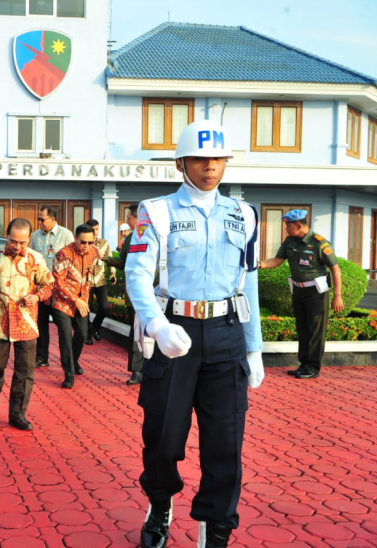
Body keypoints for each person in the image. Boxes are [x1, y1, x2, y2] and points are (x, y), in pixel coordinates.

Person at [125, 120, 264, 548]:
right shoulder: (156, 211)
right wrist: (156, 324)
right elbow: (137, 274)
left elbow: (250, 280)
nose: (210, 167)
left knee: (226, 446)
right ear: (181, 162)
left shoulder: (244, 214)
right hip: (174, 335)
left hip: (227, 335)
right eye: (200, 159)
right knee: (163, 438)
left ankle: (215, 531)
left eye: (218, 159)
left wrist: (255, 346)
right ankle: (160, 505)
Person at [0, 218, 54, 430]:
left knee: (25, 371)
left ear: (29, 239)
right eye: (13, 241)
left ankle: (17, 413)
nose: (17, 246)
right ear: (7, 236)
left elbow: (48, 285)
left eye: (22, 242)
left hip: (26, 322)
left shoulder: (36, 259)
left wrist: (37, 297)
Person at [258, 210, 343, 379]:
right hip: (298, 290)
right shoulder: (290, 241)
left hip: (316, 292)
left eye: (288, 226)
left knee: (315, 330)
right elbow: (277, 260)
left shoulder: (320, 243)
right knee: (302, 328)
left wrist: (337, 295)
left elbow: (335, 268)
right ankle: (303, 365)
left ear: (298, 226)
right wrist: (260, 264)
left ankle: (312, 367)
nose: (286, 229)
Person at [50, 224, 99, 389]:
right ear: (75, 239)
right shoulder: (63, 254)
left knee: (82, 334)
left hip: (81, 301)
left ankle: (74, 361)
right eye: (83, 242)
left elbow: (88, 278)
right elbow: (58, 282)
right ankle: (69, 374)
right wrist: (74, 299)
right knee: (65, 338)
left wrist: (83, 300)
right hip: (62, 302)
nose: (86, 246)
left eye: (90, 242)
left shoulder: (93, 253)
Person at [29, 205, 74, 369]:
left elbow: (73, 259)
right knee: (41, 324)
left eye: (43, 219)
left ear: (53, 219)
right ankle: (41, 357)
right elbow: (31, 259)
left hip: (60, 289)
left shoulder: (66, 235)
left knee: (63, 328)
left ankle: (69, 363)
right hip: (40, 288)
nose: (39, 222)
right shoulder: (35, 236)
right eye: (38, 219)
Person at [108, 203, 144, 385]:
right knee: (136, 331)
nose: (127, 220)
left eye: (129, 217)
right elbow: (123, 262)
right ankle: (137, 370)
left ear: (137, 217)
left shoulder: (157, 236)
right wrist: (105, 258)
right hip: (134, 293)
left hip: (155, 293)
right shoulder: (130, 239)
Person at [84, 218, 114, 345]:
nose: (95, 232)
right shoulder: (84, 243)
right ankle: (87, 334)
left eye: (97, 229)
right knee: (86, 309)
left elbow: (109, 259)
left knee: (104, 307)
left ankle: (96, 326)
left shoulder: (104, 243)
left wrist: (113, 273)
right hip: (86, 282)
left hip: (101, 280)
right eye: (93, 229)